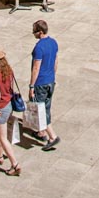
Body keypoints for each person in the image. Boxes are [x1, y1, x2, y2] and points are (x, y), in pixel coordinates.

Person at [0, 46, 22, 175]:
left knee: (3, 138)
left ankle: (15, 164)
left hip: (0, 107)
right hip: (9, 104)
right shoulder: (8, 70)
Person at [29, 20, 61, 151]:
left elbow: (36, 68)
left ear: (40, 32)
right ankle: (41, 132)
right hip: (50, 81)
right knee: (46, 107)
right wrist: (53, 76)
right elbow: (56, 61)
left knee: (40, 110)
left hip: (40, 83)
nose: (33, 34)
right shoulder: (54, 43)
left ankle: (52, 136)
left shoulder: (39, 47)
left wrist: (31, 86)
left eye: (34, 32)